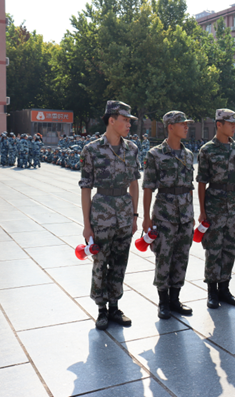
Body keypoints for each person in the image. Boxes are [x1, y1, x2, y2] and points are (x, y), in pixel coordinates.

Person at [79, 100, 140, 330]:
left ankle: (114, 306)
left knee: (120, 262)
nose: (128, 125)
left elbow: (134, 184)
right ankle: (101, 309)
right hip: (101, 212)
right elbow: (85, 188)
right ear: (111, 120)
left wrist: (134, 215)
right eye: (125, 120)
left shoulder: (132, 149)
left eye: (129, 121)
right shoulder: (91, 150)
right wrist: (87, 225)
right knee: (100, 262)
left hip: (124, 213)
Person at [142, 111, 195, 319]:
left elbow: (189, 187)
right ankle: (163, 301)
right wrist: (146, 218)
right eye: (182, 124)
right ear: (170, 127)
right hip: (164, 214)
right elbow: (148, 188)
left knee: (182, 257)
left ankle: (175, 298)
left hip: (185, 214)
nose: (186, 127)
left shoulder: (189, 155)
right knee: (164, 257)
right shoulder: (155, 154)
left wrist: (192, 213)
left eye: (187, 123)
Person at [196, 109, 235, 309]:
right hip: (214, 204)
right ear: (219, 124)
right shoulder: (207, 150)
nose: (234, 126)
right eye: (230, 123)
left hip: (233, 204)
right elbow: (201, 182)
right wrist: (202, 210)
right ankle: (212, 290)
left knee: (230, 247)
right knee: (213, 248)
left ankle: (225, 288)